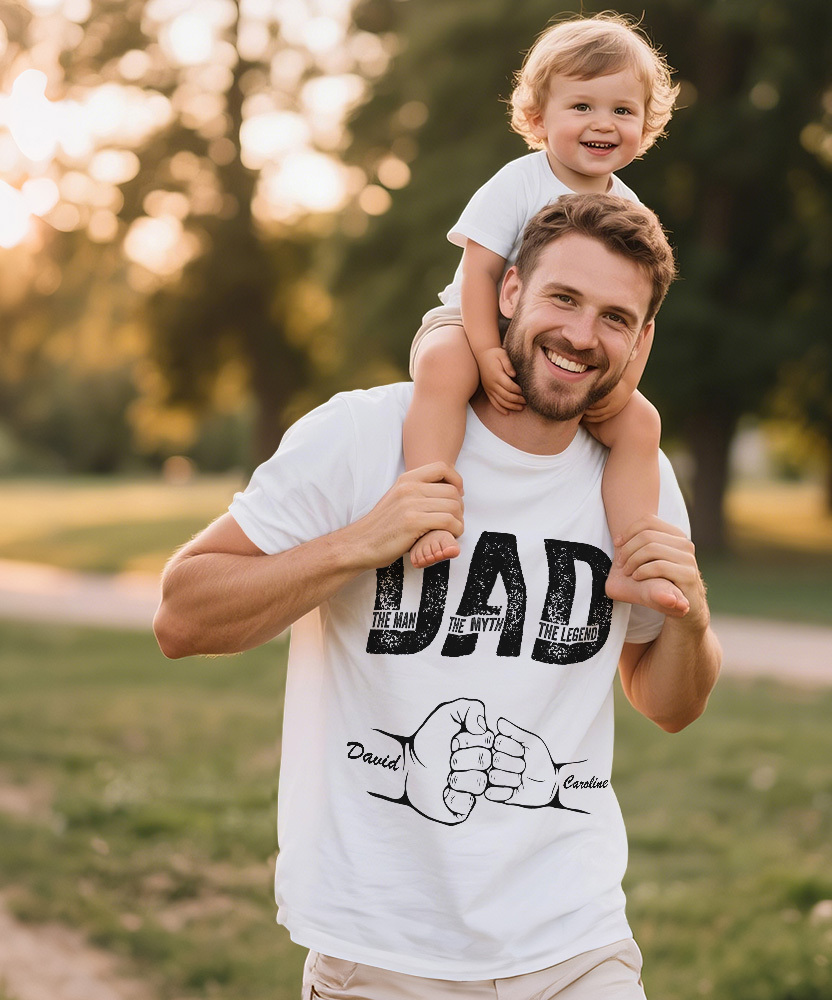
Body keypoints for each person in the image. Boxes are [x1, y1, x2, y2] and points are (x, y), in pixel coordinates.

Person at [154, 194, 722, 999]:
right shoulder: (362, 435)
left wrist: (690, 619)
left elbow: (669, 704)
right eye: (564, 298)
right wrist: (362, 541)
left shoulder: (639, 481)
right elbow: (181, 615)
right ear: (511, 292)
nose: (582, 336)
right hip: (384, 949)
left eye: (616, 317)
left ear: (644, 339)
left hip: (574, 940)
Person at [404, 13, 680, 618]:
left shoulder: (628, 211)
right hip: (470, 323)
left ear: (645, 125)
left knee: (640, 424)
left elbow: (644, 315)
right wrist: (485, 351)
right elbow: (480, 275)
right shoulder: (517, 184)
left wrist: (624, 383)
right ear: (538, 119)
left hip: (562, 352)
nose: (603, 123)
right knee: (444, 369)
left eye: (622, 110)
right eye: (581, 106)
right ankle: (425, 511)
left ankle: (636, 560)